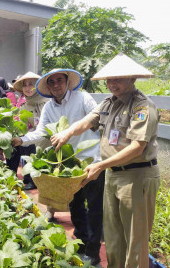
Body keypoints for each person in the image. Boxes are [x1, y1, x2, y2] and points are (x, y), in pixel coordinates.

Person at [50, 53, 160, 268]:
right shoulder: (109, 103)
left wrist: (100, 165)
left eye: (118, 79)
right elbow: (87, 121)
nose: (112, 84)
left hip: (136, 176)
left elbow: (138, 147)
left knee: (135, 237)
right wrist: (67, 133)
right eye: (109, 80)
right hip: (112, 174)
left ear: (132, 79)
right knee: (113, 234)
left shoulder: (141, 107)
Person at [12, 68, 103, 265]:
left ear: (67, 81)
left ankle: (94, 251)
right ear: (48, 87)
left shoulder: (83, 98)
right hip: (69, 164)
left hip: (92, 161)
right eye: (51, 82)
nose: (56, 85)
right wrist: (21, 140)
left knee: (95, 207)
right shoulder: (49, 108)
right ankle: (81, 242)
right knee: (76, 204)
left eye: (59, 80)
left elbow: (97, 118)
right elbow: (40, 132)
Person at [7, 72, 49, 184]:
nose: (27, 88)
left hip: (50, 141)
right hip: (34, 140)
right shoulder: (24, 106)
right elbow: (23, 127)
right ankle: (29, 179)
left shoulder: (49, 102)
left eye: (31, 84)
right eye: (25, 85)